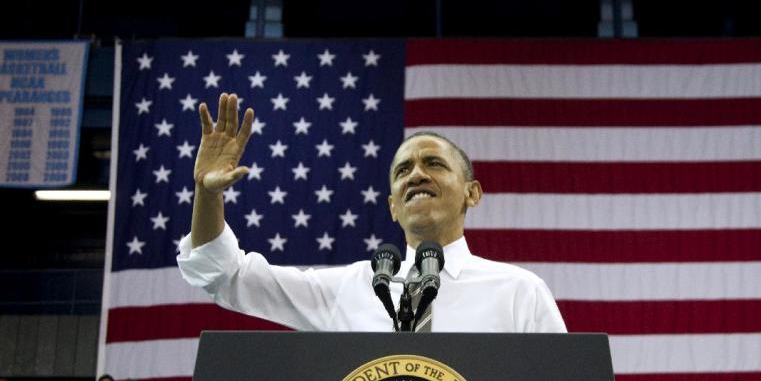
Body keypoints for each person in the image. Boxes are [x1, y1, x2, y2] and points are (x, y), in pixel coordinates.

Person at [177, 93, 566, 333]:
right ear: (392, 207)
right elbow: (226, 276)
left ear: (472, 193)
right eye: (402, 171)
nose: (416, 174)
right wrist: (205, 195)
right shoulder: (348, 289)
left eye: (433, 163)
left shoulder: (519, 291)